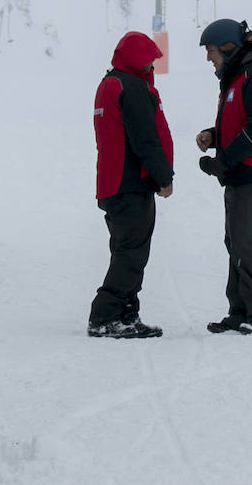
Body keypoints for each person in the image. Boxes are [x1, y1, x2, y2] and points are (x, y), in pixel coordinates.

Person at [196, 18, 252, 335]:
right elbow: (239, 124)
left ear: (228, 47)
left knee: (247, 242)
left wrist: (223, 161)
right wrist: (214, 136)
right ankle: (240, 310)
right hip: (241, 174)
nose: (209, 58)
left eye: (210, 50)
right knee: (235, 242)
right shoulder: (236, 78)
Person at [88, 31, 175, 339]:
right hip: (130, 184)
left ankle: (126, 314)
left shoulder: (109, 83)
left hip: (113, 184)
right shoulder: (132, 86)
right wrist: (164, 177)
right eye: (150, 59)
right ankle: (106, 316)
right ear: (138, 59)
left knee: (126, 250)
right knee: (131, 253)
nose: (152, 65)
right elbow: (145, 139)